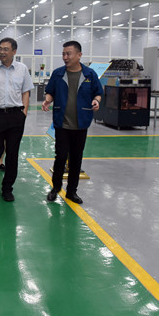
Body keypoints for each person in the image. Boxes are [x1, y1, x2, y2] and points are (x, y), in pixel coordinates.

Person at [42, 40, 103, 204]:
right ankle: (55, 188)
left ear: (79, 55)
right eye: (63, 54)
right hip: (62, 123)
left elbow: (98, 93)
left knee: (76, 158)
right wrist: (47, 100)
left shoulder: (89, 74)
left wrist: (96, 101)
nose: (65, 57)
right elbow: (50, 91)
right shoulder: (58, 73)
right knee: (60, 157)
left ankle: (71, 191)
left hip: (81, 123)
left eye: (68, 54)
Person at [0, 38, 34, 202]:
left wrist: (24, 112)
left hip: (16, 116)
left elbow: (26, 92)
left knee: (12, 153)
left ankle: (7, 188)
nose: (2, 52)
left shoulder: (22, 69)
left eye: (6, 49)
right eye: (0, 48)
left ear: (14, 52)